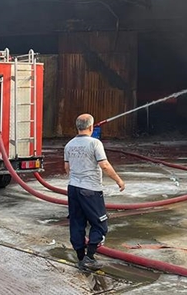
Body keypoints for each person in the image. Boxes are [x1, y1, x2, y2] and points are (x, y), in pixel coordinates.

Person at [64, 113, 125, 271]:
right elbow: (104, 165)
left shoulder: (69, 145)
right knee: (100, 224)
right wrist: (118, 180)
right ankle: (90, 257)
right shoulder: (95, 143)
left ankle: (80, 257)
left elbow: (67, 168)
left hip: (73, 189)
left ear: (77, 127)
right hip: (91, 190)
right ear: (91, 127)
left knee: (77, 223)